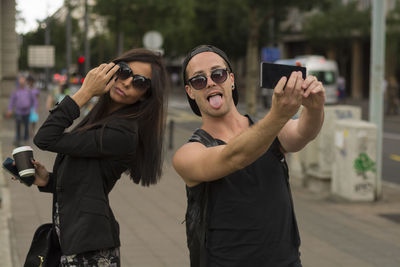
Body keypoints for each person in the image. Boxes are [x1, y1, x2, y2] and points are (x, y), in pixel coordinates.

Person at [173, 45, 325, 267]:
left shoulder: (271, 129)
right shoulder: (188, 154)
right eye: (199, 80)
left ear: (231, 79)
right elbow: (234, 157)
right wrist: (277, 115)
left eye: (218, 74)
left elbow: (303, 134)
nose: (211, 82)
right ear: (190, 91)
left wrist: (314, 108)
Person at [28, 48, 168, 266]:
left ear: (145, 95)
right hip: (76, 240)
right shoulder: (104, 117)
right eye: (124, 71)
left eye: (140, 82)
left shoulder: (122, 133)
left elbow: (45, 138)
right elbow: (87, 183)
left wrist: (84, 92)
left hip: (89, 251)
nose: (127, 82)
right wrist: (47, 180)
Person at [6, 75, 35, 146]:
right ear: (18, 82)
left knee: (26, 126)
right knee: (18, 126)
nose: (22, 82)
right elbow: (12, 101)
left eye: (23, 81)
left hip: (27, 112)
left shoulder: (28, 90)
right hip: (18, 112)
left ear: (25, 82)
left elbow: (32, 100)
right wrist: (9, 109)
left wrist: (33, 108)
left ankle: (25, 140)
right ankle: (18, 139)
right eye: (20, 81)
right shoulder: (15, 91)